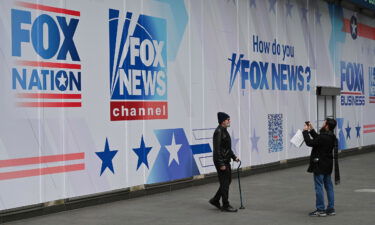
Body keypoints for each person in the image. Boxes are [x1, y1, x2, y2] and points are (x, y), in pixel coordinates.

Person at [303, 118, 340, 217]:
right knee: (329, 187)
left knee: (319, 187)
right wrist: (311, 130)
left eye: (324, 123)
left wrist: (305, 131)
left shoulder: (323, 137)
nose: (323, 124)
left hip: (319, 165)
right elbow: (318, 139)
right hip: (328, 165)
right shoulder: (332, 136)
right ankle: (331, 209)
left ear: (327, 126)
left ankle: (320, 209)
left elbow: (310, 143)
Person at [209, 112, 240, 212]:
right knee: (225, 183)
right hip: (221, 161)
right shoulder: (218, 132)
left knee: (226, 182)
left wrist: (234, 157)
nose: (229, 121)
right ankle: (225, 205)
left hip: (225, 160)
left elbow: (227, 148)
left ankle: (215, 200)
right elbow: (217, 149)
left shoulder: (224, 130)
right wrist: (221, 163)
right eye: (228, 119)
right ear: (223, 121)